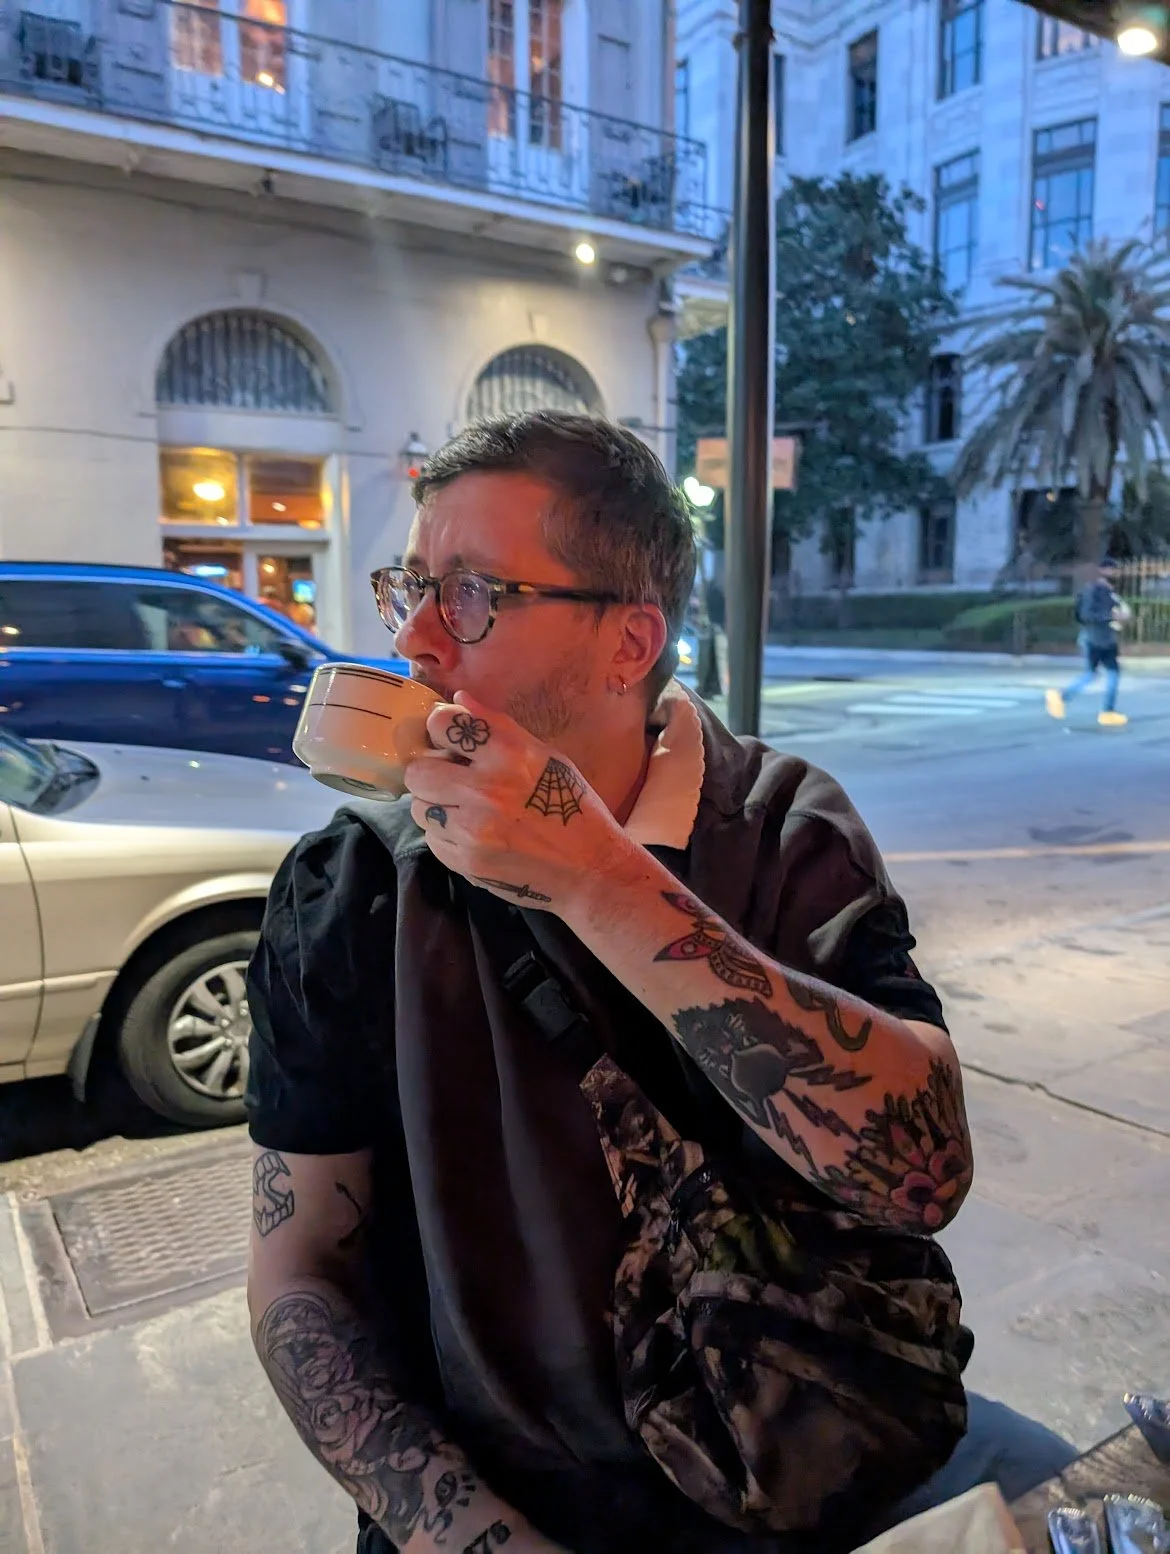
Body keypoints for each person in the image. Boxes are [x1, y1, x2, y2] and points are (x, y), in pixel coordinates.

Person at [245, 413, 1076, 1554]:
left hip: (799, 1461)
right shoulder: (353, 889)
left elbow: (921, 1172)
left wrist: (596, 876)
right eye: (412, 590)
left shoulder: (782, 832)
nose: (418, 642)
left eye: (474, 594)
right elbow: (302, 1275)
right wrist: (471, 1537)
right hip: (493, 1503)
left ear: (629, 642)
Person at [1046, 560, 1132, 727]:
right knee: (1111, 673)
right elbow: (1088, 615)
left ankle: (1062, 698)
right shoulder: (1095, 591)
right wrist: (1112, 617)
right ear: (1103, 571)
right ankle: (1106, 712)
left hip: (1102, 638)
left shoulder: (1107, 592)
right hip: (1098, 640)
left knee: (1093, 673)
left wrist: (1118, 616)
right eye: (1112, 570)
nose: (1115, 574)